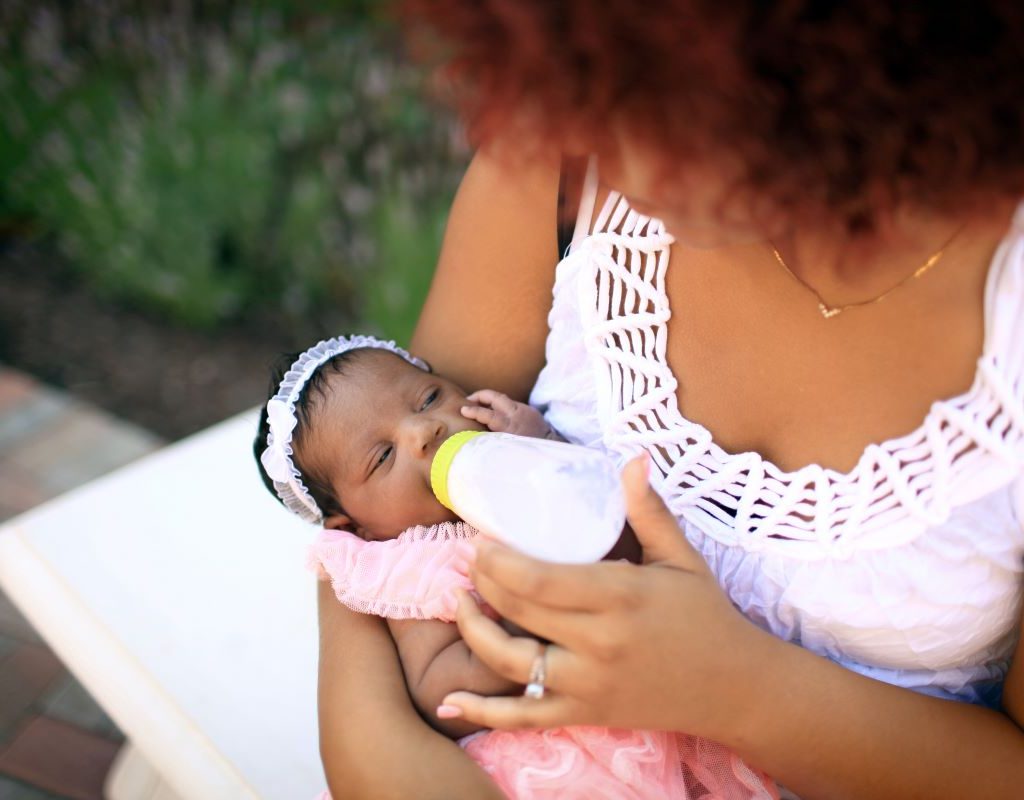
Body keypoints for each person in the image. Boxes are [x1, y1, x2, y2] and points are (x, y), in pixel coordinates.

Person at [316, 3, 1024, 797]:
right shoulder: (564, 150)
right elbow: (373, 509)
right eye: (593, 79)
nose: (613, 149)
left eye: (668, 101)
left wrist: (735, 690)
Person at [254, 334, 778, 799]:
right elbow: (437, 688)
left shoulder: (519, 464)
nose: (422, 431)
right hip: (542, 757)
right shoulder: (407, 565)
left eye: (429, 398)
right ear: (355, 526)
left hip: (641, 696)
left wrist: (541, 442)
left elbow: (614, 531)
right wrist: (518, 627)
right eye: (383, 457)